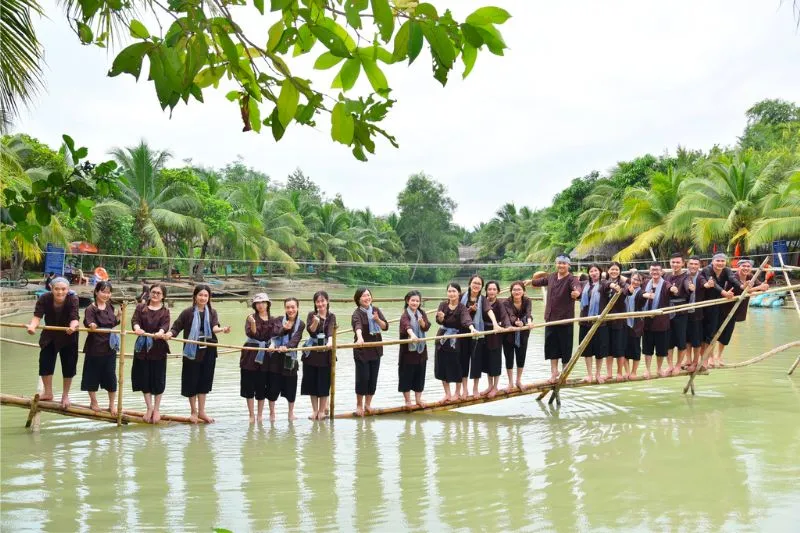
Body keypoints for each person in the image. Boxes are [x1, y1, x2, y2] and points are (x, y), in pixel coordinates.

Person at [165, 284, 231, 424]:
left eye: (206, 295)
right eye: (200, 295)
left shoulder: (212, 312)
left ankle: (202, 411)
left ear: (209, 298)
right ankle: (193, 412)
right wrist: (169, 334)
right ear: (195, 296)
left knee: (204, 381)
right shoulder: (187, 312)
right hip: (192, 351)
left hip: (208, 350)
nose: (203, 298)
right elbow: (176, 327)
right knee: (191, 381)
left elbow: (214, 327)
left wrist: (222, 329)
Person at [25, 277, 80, 409]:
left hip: (68, 334)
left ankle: (65, 395)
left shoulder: (73, 298)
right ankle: (48, 392)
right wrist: (32, 327)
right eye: (57, 289)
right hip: (49, 334)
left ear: (68, 289)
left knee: (69, 365)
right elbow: (37, 316)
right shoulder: (44, 298)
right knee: (45, 362)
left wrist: (73, 327)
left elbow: (75, 317)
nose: (60, 292)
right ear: (51, 288)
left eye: (63, 289)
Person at [530, 255, 582, 384]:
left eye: (564, 263)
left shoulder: (572, 279)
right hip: (550, 318)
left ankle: (564, 372)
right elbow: (537, 282)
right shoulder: (551, 277)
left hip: (564, 320)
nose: (561, 266)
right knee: (552, 346)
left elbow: (577, 288)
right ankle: (554, 372)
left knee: (565, 347)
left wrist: (577, 293)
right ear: (556, 264)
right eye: (559, 263)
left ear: (568, 265)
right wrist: (529, 281)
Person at [715, 258, 769, 366]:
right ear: (738, 267)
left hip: (735, 311)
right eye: (743, 266)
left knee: (726, 335)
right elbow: (743, 290)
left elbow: (761, 286)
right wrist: (758, 287)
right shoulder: (732, 277)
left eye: (748, 266)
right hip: (724, 309)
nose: (746, 268)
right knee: (715, 333)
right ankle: (711, 358)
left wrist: (764, 286)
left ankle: (718, 356)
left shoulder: (750, 277)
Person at [131, 283, 170, 423]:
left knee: (158, 378)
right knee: (144, 377)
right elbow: (135, 320)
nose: (155, 295)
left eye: (158, 293)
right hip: (142, 348)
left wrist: (160, 332)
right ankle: (149, 408)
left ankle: (157, 409)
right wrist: (136, 328)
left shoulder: (165, 311)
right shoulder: (141, 308)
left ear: (163, 296)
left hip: (158, 348)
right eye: (153, 292)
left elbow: (165, 325)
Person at [434, 282, 478, 403]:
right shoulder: (442, 305)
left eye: (454, 291)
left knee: (456, 365)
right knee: (442, 365)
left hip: (455, 340)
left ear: (459, 293)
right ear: (447, 293)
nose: (452, 294)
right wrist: (441, 318)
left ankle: (457, 392)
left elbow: (466, 320)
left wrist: (472, 328)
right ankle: (447, 394)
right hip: (442, 338)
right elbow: (438, 320)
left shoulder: (462, 307)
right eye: (449, 291)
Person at [81, 281, 120, 415]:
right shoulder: (90, 309)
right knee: (92, 376)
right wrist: (91, 325)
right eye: (103, 291)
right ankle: (94, 402)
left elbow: (112, 323)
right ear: (96, 292)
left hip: (110, 347)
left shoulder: (110, 306)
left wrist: (118, 318)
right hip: (95, 348)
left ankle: (112, 405)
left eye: (108, 292)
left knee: (111, 376)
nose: (106, 295)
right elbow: (88, 321)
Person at [265, 297, 304, 421]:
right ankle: (272, 413)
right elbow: (275, 334)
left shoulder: (301, 324)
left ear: (297, 307)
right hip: (275, 359)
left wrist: (286, 346)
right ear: (285, 308)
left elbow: (296, 340)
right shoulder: (278, 320)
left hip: (290, 359)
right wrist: (285, 329)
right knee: (272, 388)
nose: (290, 310)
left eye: (293, 307)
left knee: (291, 388)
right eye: (288, 307)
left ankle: (290, 413)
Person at [700, 253, 742, 368]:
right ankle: (709, 357)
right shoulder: (707, 270)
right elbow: (713, 283)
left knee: (718, 330)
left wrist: (742, 286)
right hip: (707, 303)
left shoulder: (727, 270)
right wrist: (724, 293)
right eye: (717, 261)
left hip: (719, 304)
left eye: (722, 261)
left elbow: (733, 279)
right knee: (710, 331)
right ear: (712, 262)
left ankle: (715, 357)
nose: (720, 263)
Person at [352, 287, 389, 416]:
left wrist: (377, 319)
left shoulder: (375, 310)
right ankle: (359, 405)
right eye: (363, 296)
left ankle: (368, 404)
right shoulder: (357, 313)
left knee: (373, 378)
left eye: (368, 295)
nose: (367, 298)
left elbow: (385, 327)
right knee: (362, 378)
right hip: (362, 350)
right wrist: (360, 337)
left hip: (376, 350)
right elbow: (358, 326)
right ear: (358, 299)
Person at [240, 292, 277, 424]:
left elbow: (275, 336)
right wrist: (254, 323)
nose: (261, 305)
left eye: (263, 302)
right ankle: (251, 415)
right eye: (258, 303)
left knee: (262, 385)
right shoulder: (250, 317)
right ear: (255, 305)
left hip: (266, 355)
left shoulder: (273, 320)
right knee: (249, 385)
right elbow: (253, 333)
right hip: (251, 354)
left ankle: (260, 414)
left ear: (268, 304)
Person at [302, 290, 337, 421]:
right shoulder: (311, 314)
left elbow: (330, 330)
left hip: (325, 353)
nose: (320, 303)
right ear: (315, 303)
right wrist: (316, 321)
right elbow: (311, 331)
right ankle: (315, 410)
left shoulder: (331, 316)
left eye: (323, 301)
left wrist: (329, 341)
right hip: (312, 352)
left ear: (327, 301)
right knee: (312, 383)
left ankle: (322, 410)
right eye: (318, 301)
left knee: (324, 383)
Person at [578, 264, 614, 383]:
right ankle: (589, 374)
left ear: (600, 272)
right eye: (591, 271)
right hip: (585, 321)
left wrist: (613, 285)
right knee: (587, 349)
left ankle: (598, 374)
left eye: (596, 271)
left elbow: (609, 284)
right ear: (588, 273)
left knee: (600, 350)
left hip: (599, 323)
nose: (593, 273)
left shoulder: (603, 284)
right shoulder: (584, 285)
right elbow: (575, 288)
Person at [398, 290, 431, 408]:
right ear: (408, 301)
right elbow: (407, 326)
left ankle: (418, 399)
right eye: (413, 300)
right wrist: (412, 335)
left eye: (417, 301)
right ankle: (407, 401)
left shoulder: (421, 313)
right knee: (406, 375)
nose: (415, 303)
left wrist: (422, 323)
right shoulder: (405, 315)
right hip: (408, 352)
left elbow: (426, 327)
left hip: (421, 350)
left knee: (420, 375)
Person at [641, 262, 674, 378]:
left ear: (661, 272)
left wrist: (674, 289)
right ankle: (647, 369)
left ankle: (659, 369)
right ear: (650, 271)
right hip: (647, 322)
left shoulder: (665, 284)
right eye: (653, 270)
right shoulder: (645, 283)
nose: (655, 272)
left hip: (661, 323)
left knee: (661, 349)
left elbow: (671, 289)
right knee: (647, 349)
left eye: (657, 270)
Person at [663, 253, 693, 376]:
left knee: (681, 340)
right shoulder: (666, 275)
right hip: (667, 311)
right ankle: (670, 365)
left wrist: (691, 288)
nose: (675, 264)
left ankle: (678, 365)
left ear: (682, 263)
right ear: (670, 263)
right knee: (668, 340)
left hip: (681, 312)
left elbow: (688, 286)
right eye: (673, 262)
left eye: (678, 262)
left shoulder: (686, 277)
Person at [501, 281, 532, 391]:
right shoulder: (506, 302)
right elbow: (510, 315)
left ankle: (518, 380)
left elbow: (529, 313)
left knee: (521, 356)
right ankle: (510, 383)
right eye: (514, 290)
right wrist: (517, 323)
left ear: (524, 291)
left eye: (519, 289)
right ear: (511, 291)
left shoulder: (527, 301)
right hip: (509, 333)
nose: (517, 292)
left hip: (523, 334)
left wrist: (528, 322)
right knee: (509, 358)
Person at [461, 274, 488, 398]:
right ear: (470, 283)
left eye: (479, 283)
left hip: (478, 334)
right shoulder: (462, 297)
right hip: (463, 333)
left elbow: (489, 311)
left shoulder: (483, 299)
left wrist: (495, 323)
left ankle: (475, 388)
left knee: (476, 361)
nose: (476, 285)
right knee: (463, 361)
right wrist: (469, 310)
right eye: (474, 282)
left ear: (481, 286)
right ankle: (464, 389)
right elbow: (457, 314)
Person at [480, 280, 509, 398]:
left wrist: (508, 326)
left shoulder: (500, 303)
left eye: (494, 289)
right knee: (487, 360)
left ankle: (495, 387)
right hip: (484, 333)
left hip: (496, 334)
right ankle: (489, 385)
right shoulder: (482, 302)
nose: (491, 291)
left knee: (495, 360)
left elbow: (504, 316)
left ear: (498, 291)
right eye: (489, 289)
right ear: (486, 291)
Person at [605, 262, 629, 381]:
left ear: (620, 271)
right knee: (608, 348)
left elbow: (627, 291)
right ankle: (609, 373)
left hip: (619, 320)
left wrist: (621, 289)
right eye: (612, 269)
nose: (614, 271)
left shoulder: (623, 283)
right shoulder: (604, 282)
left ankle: (619, 372)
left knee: (619, 348)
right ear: (608, 270)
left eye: (616, 270)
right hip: (606, 320)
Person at [623, 272, 648, 379]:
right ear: (630, 279)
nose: (635, 282)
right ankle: (627, 371)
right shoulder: (625, 289)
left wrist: (647, 295)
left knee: (636, 349)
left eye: (638, 280)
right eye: (634, 279)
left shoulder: (641, 292)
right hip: (624, 324)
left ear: (641, 282)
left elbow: (643, 297)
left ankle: (634, 371)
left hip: (636, 325)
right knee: (623, 349)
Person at [684, 256, 706, 373]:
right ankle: (688, 360)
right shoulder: (684, 276)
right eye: (691, 264)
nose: (693, 266)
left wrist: (707, 285)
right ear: (687, 264)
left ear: (699, 266)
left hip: (697, 313)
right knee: (687, 338)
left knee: (696, 340)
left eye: (696, 264)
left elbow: (704, 283)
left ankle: (695, 361)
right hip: (684, 312)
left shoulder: (701, 277)